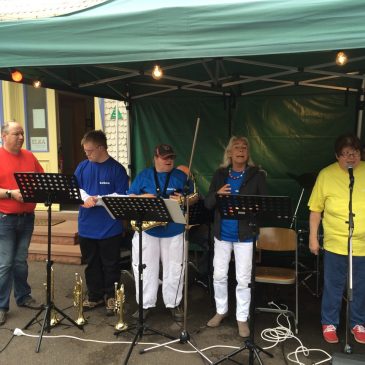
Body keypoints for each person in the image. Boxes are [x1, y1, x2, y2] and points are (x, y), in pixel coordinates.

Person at [205, 136, 267, 337]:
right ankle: (221, 311)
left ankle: (242, 318)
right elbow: (208, 203)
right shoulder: (220, 174)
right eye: (236, 147)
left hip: (245, 234)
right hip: (222, 234)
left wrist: (253, 206)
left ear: (248, 153)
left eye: (244, 147)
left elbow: (263, 204)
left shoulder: (257, 175)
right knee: (219, 275)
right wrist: (218, 194)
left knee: (243, 278)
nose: (240, 150)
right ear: (229, 153)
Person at [308, 133, 365, 344]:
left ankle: (358, 322)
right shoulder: (326, 175)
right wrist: (314, 238)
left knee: (361, 285)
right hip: (335, 242)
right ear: (337, 156)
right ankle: (330, 322)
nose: (351, 158)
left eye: (355, 153)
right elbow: (315, 210)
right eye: (346, 154)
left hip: (363, 244)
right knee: (334, 284)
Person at [127, 144, 192, 322]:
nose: (169, 160)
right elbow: (130, 197)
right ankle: (145, 304)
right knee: (144, 267)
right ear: (155, 158)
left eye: (171, 157)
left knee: (175, 267)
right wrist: (144, 198)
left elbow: (195, 197)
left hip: (174, 229)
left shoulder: (181, 176)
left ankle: (173, 303)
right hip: (148, 230)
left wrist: (185, 199)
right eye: (165, 157)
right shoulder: (143, 176)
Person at [75, 130, 129, 316]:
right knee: (91, 263)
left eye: (89, 150)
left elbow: (122, 196)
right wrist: (85, 198)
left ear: (100, 148)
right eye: (85, 151)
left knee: (110, 264)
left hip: (109, 227)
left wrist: (97, 200)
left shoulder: (117, 169)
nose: (87, 154)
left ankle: (111, 296)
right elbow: (76, 189)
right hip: (86, 225)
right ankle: (95, 295)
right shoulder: (82, 167)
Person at [0, 121, 44, 326]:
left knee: (20, 260)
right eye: (16, 133)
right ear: (4, 135)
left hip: (27, 218)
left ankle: (23, 296)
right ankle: (1, 306)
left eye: (22, 133)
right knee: (5, 263)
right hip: (5, 219)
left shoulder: (29, 156)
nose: (21, 137)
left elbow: (43, 179)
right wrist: (10, 193)